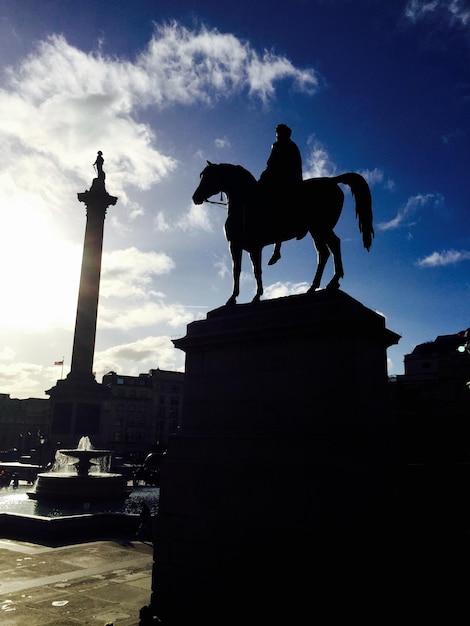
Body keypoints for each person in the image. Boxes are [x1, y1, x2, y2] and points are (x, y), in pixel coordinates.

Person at [258, 124, 303, 265]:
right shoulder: (292, 146)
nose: (276, 135)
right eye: (276, 133)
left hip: (283, 182)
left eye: (278, 133)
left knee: (267, 203)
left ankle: (273, 243)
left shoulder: (279, 145)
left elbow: (271, 163)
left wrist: (266, 176)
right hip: (289, 181)